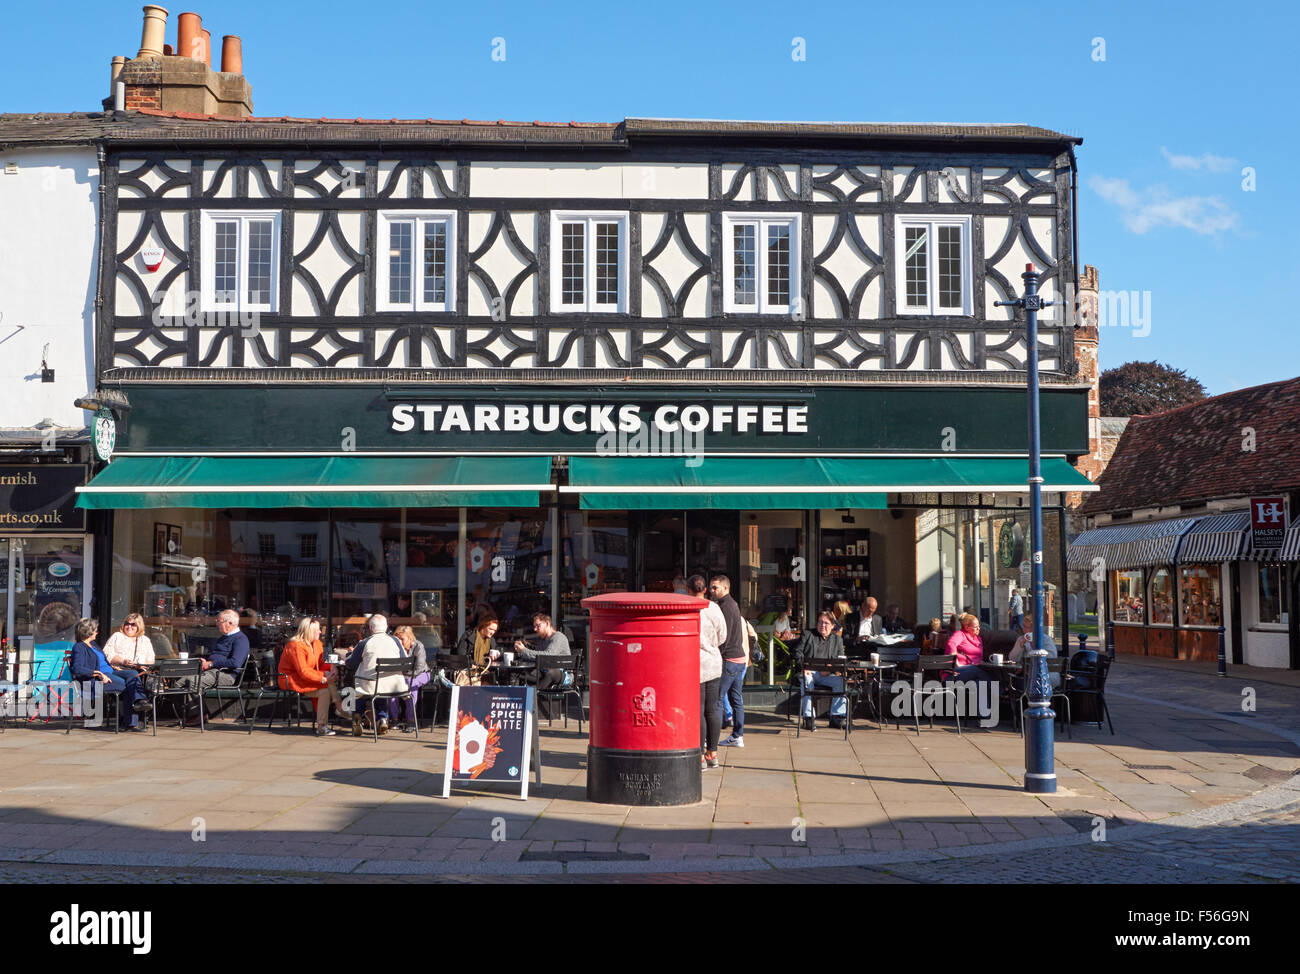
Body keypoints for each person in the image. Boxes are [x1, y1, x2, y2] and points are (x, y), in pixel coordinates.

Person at [70, 617, 147, 730]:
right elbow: (77, 669)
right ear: (88, 632)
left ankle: (140, 701)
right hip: (97, 679)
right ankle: (132, 721)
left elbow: (102, 662)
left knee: (133, 674)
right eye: (95, 630)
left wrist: (114, 667)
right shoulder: (79, 647)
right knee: (127, 686)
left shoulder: (94, 645)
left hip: (111, 672)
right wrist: (98, 674)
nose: (97, 632)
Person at [278, 617, 347, 736]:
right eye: (318, 630)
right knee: (325, 681)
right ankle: (339, 707)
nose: (320, 632)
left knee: (325, 690)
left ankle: (322, 725)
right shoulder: (295, 646)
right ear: (309, 631)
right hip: (292, 679)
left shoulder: (317, 643)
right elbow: (303, 671)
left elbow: (323, 661)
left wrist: (331, 667)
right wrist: (324, 678)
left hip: (307, 677)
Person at [187, 609, 250, 719]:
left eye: (219, 621)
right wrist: (206, 661)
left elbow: (235, 662)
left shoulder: (241, 639)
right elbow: (217, 656)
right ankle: (186, 714)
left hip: (226, 675)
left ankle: (199, 716)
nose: (217, 624)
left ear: (229, 623)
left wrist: (211, 664)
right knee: (178, 682)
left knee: (191, 682)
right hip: (212, 670)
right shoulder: (223, 638)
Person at [689, 575, 726, 769]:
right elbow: (723, 636)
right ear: (705, 590)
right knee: (712, 709)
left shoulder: (687, 607)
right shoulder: (714, 608)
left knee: (698, 710)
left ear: (688, 590)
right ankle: (713, 753)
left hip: (694, 664)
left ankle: (700, 755)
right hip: (713, 662)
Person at [351, 614, 408, 735]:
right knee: (379, 686)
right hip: (395, 686)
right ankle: (382, 719)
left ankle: (357, 720)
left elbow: (351, 663)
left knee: (359, 687)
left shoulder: (365, 642)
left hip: (372, 685)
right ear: (386, 627)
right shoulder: (396, 641)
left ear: (371, 628)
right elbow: (405, 660)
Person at [710, 574, 747, 748]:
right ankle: (737, 736)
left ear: (726, 588)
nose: (712, 590)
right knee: (736, 699)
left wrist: (718, 654)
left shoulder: (725, 607)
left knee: (716, 699)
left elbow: (724, 636)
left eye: (715, 587)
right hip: (739, 659)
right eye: (711, 587)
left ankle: (711, 740)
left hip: (729, 659)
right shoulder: (733, 605)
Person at [793, 611, 846, 731]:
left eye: (826, 623)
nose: (823, 625)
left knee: (841, 682)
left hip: (826, 674)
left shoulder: (837, 640)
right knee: (806, 680)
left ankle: (836, 717)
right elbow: (798, 652)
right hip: (809, 672)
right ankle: (809, 718)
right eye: (820, 622)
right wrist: (803, 667)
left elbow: (840, 659)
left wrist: (830, 668)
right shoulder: (808, 634)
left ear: (832, 626)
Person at [514, 613, 571, 691]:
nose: (535, 629)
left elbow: (548, 656)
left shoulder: (558, 637)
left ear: (547, 623)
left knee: (550, 673)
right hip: (544, 672)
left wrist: (524, 650)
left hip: (562, 674)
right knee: (521, 674)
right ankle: (519, 696)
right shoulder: (543, 640)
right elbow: (537, 654)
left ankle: (534, 695)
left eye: (538, 625)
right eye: (534, 626)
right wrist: (523, 649)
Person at [389, 625, 428, 731]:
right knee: (392, 688)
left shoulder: (418, 646)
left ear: (410, 638)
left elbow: (419, 667)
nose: (400, 642)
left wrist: (405, 676)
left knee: (412, 685)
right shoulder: (395, 648)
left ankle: (411, 720)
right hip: (402, 676)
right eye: (398, 639)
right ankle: (395, 719)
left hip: (421, 674)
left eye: (402, 639)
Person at [1009, 614, 1060, 689]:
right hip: (1029, 677)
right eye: (1024, 627)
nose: (1025, 630)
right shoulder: (1021, 639)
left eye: (1028, 627)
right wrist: (1020, 646)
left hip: (1048, 676)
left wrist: (1034, 647)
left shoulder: (1046, 639)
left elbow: (1052, 657)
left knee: (1019, 683)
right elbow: (1012, 658)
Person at [453, 611, 500, 686]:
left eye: (494, 630)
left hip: (485, 673)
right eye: (490, 629)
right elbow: (461, 655)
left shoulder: (491, 640)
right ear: (483, 626)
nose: (492, 632)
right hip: (469, 673)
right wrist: (473, 664)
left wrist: (497, 652)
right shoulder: (468, 635)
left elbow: (497, 649)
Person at [947, 612, 985, 682]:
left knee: (980, 682)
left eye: (979, 626)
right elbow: (951, 644)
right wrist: (956, 663)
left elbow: (978, 657)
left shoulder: (978, 639)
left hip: (973, 669)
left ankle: (999, 690)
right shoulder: (960, 634)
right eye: (976, 627)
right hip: (956, 672)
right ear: (967, 627)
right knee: (978, 671)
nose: (979, 628)